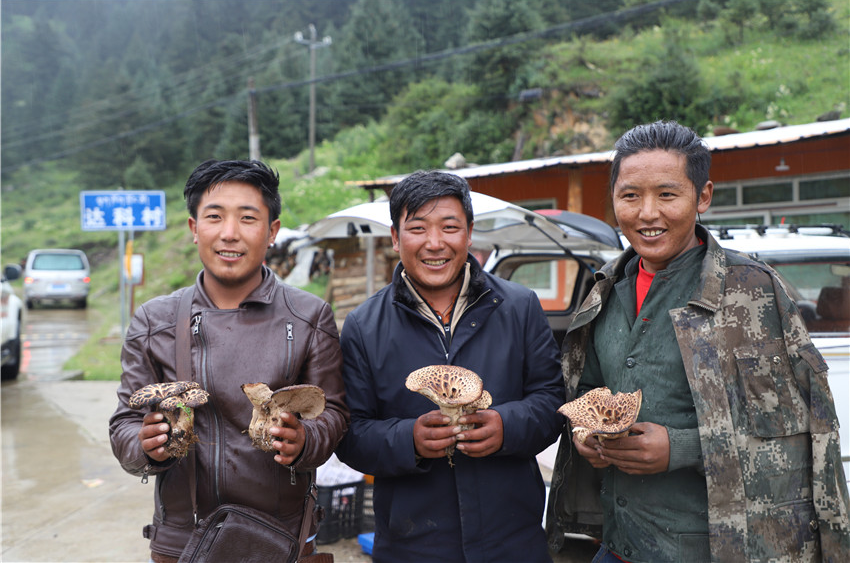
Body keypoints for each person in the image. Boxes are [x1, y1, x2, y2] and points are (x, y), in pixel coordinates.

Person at [545, 121, 850, 562]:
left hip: (713, 549)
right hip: (619, 543)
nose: (647, 213)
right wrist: (585, 433)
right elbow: (590, 389)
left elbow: (800, 435)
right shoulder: (605, 290)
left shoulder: (753, 293)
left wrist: (681, 448)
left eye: (667, 194)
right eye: (630, 196)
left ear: (702, 196)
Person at [109, 159, 349, 563]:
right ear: (194, 228)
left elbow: (335, 414)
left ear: (272, 231)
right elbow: (124, 425)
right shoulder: (154, 321)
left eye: (248, 218)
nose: (230, 233)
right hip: (182, 542)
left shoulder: (309, 317)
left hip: (282, 538)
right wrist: (145, 445)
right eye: (214, 216)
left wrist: (305, 440)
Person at [335, 170, 566, 562]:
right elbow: (350, 434)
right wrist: (409, 440)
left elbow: (552, 400)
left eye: (449, 227)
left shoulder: (519, 306)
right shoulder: (363, 325)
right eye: (417, 228)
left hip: (512, 541)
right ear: (395, 238)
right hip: (412, 546)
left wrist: (506, 427)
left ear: (469, 233)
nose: (435, 243)